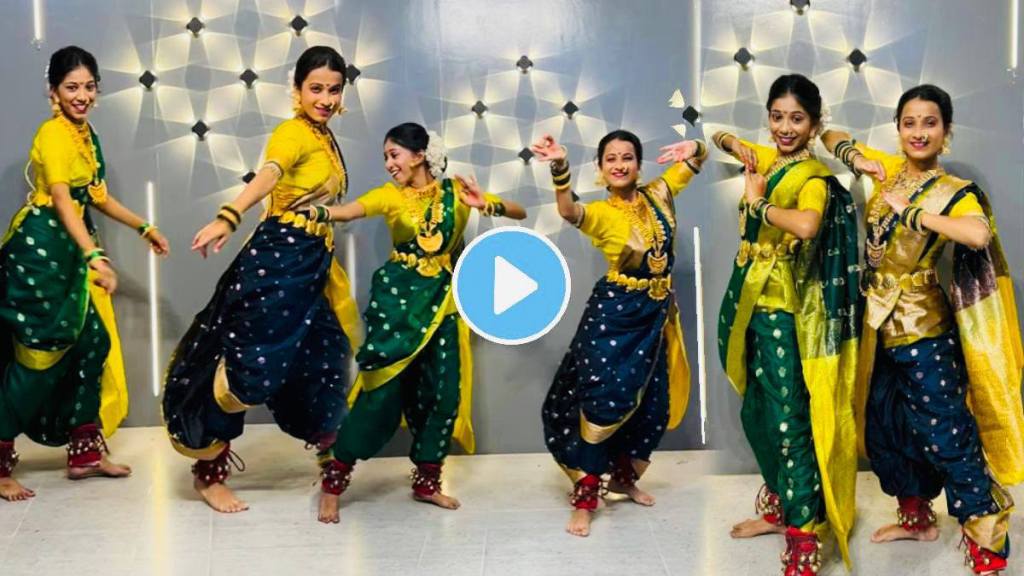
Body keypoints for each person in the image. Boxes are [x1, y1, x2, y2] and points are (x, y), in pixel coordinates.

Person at [822, 83, 1024, 575]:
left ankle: (987, 544)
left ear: (946, 132)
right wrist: (856, 157)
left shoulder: (954, 191)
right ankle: (916, 516)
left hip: (923, 326)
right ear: (898, 129)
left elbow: (976, 234)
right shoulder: (887, 170)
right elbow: (829, 134)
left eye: (929, 123)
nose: (918, 132)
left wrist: (913, 213)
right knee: (887, 424)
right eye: (908, 123)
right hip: (876, 322)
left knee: (946, 430)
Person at [161, 46, 361, 516]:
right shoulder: (292, 132)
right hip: (279, 266)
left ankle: (332, 457)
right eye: (316, 88)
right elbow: (270, 174)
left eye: (334, 90)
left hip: (312, 269)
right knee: (250, 372)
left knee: (326, 358)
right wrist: (229, 216)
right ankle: (208, 471)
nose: (326, 98)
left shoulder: (325, 136)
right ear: (296, 90)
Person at [308, 121, 526, 523]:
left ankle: (427, 481)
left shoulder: (456, 194)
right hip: (398, 307)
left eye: (394, 155)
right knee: (381, 396)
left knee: (443, 393)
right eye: (386, 157)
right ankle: (334, 480)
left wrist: (485, 204)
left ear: (419, 154)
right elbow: (351, 210)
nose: (389, 164)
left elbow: (519, 211)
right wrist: (319, 211)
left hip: (443, 304)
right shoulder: (390, 196)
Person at [0, 45, 169, 501]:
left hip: (73, 252)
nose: (82, 95)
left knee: (93, 342)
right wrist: (95, 255)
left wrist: (144, 227)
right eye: (72, 87)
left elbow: (94, 196)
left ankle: (85, 451)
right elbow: (59, 198)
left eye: (89, 86)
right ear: (53, 91)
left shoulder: (86, 135)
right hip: (41, 253)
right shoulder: (54, 135)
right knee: (38, 358)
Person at [712, 74, 860, 575]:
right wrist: (736, 144)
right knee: (757, 411)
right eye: (776, 116)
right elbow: (717, 137)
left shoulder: (813, 177)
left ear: (816, 124)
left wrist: (757, 203)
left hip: (784, 311)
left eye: (797, 118)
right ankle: (779, 505)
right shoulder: (772, 160)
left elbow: (807, 225)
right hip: (750, 305)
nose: (784, 127)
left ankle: (803, 534)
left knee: (788, 417)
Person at [530, 129, 705, 537]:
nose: (620, 165)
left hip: (656, 316)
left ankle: (625, 478)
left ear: (639, 166)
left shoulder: (660, 193)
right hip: (614, 315)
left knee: (654, 403)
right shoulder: (601, 212)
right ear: (601, 169)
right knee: (604, 404)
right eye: (611, 159)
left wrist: (693, 147)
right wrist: (559, 168)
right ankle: (587, 495)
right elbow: (569, 212)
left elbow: (699, 159)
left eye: (628, 157)